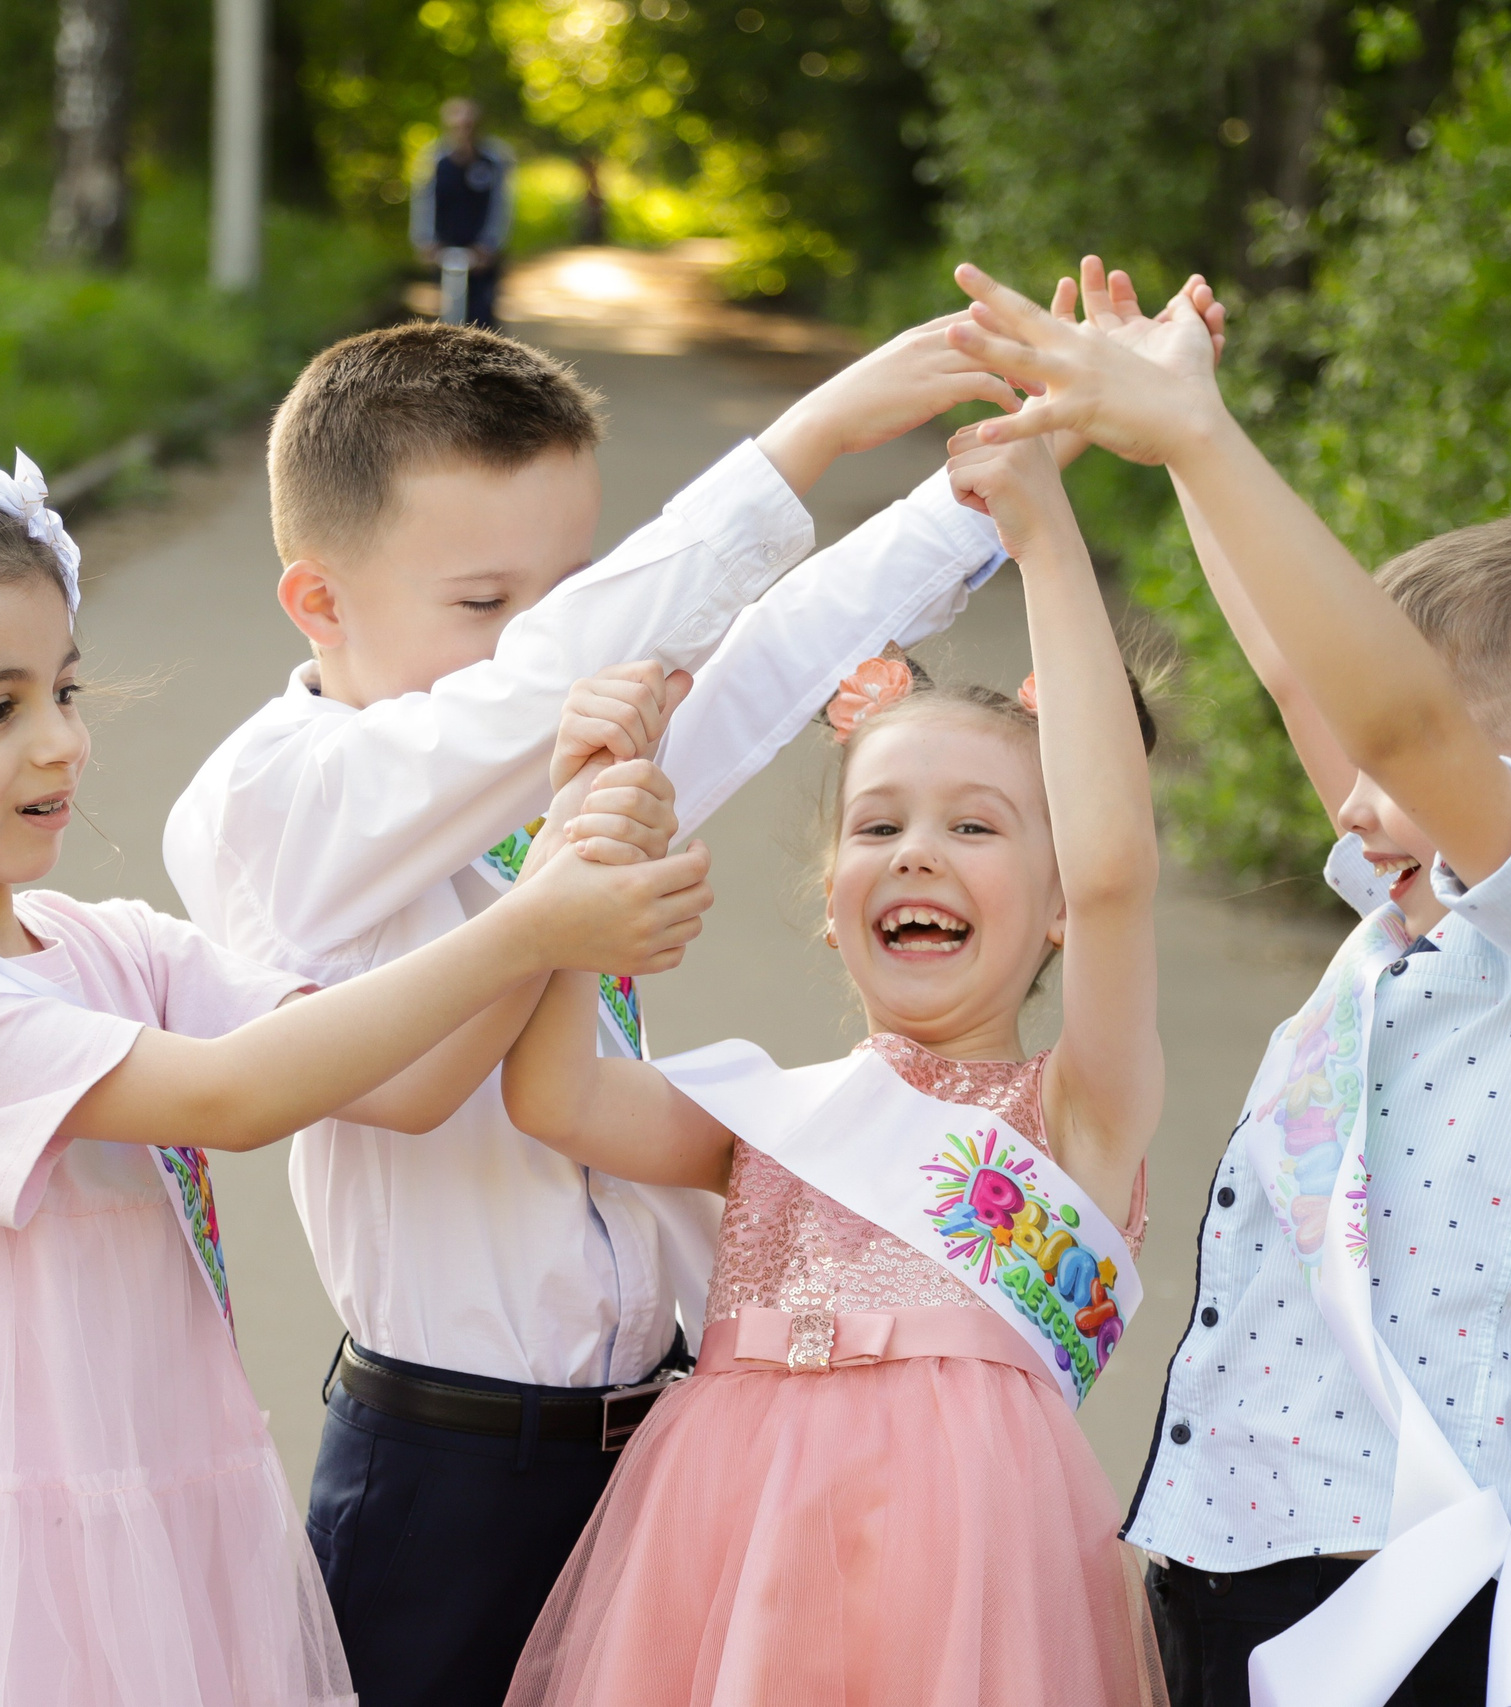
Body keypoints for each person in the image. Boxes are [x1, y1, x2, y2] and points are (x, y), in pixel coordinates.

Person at [0, 455, 715, 1706]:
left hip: (170, 1510)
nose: (59, 741)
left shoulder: (104, 945)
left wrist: (560, 841)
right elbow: (233, 1097)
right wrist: (536, 924)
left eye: (64, 690)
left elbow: (409, 1079)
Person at [946, 259, 1511, 1707]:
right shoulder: (1439, 920)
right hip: (1230, 1567)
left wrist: (1199, 437)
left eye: (1397, 770)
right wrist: (1190, 435)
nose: (1348, 798)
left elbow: (1401, 731)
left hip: (1394, 1606)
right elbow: (1318, 688)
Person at [159, 318, 1028, 1706]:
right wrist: (809, 436)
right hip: (446, 1474)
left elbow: (764, 660)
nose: (553, 647)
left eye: (576, 592)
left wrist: (979, 493)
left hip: (658, 1444)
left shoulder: (553, 742)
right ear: (317, 600)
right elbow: (522, 698)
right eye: (488, 604)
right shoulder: (278, 798)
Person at [495, 428, 1168, 1707]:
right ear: (827, 902)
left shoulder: (1077, 1110)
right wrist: (579, 837)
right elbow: (555, 1095)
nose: (917, 851)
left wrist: (1042, 537)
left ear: (1059, 904)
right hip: (732, 1544)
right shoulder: (772, 1119)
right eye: (878, 824)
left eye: (975, 826)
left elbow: (1118, 869)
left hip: (961, 1570)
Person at [411, 98, 517, 327]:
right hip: (443, 251)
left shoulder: (494, 159)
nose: (463, 132)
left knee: (482, 317)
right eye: (457, 126)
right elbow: (424, 202)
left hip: (481, 254)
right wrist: (426, 242)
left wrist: (489, 245)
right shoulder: (434, 159)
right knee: (442, 320)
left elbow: (501, 205)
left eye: (468, 125)